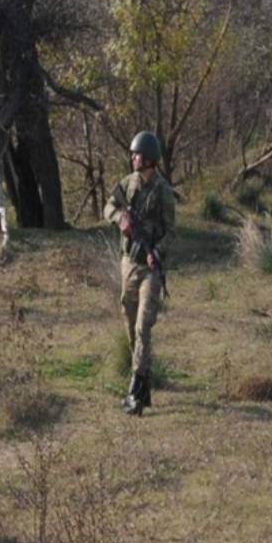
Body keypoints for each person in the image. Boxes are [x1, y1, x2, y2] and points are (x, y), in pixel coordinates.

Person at [104, 131, 176, 416]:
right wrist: (119, 217)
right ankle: (144, 381)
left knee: (143, 325)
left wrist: (156, 251)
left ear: (148, 159)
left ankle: (134, 390)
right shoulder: (127, 184)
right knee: (129, 321)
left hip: (151, 269)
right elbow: (109, 205)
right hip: (129, 264)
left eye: (137, 154)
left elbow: (171, 231)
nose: (133, 158)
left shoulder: (163, 192)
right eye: (133, 154)